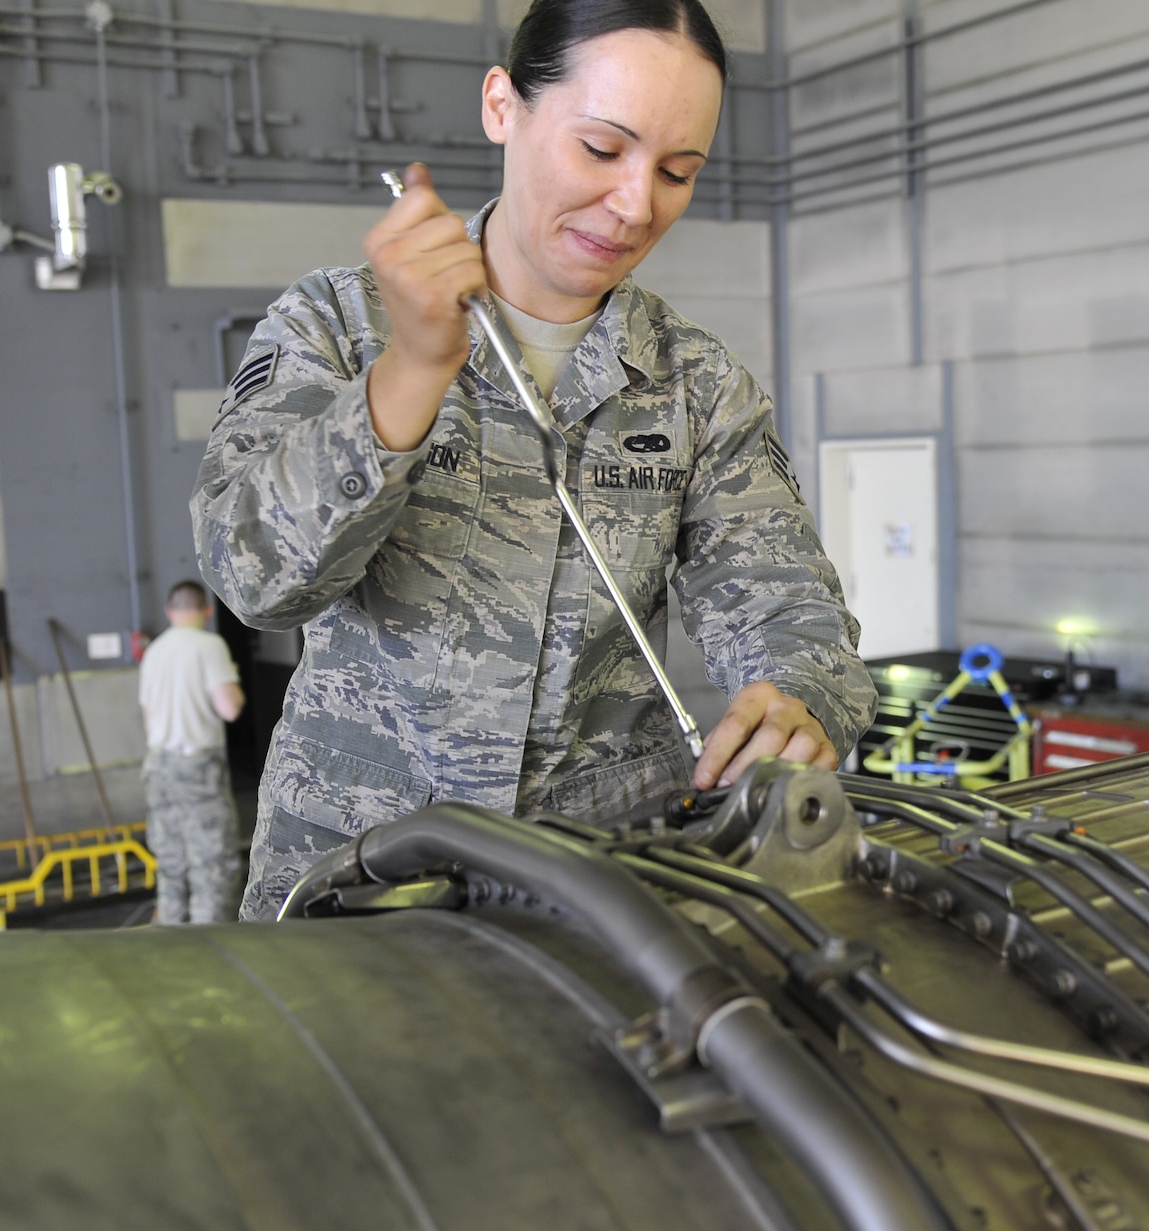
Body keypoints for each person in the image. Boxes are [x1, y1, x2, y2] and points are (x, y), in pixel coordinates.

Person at [194, 0, 878, 918]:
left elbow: (791, 605)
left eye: (678, 172)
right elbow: (254, 579)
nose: (637, 204)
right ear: (501, 106)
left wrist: (799, 699)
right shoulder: (337, 325)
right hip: (355, 869)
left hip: (599, 884)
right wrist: (409, 374)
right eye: (602, 150)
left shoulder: (696, 384)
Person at [138, 581, 246, 924]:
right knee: (213, 861)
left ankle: (169, 934)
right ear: (207, 611)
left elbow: (148, 718)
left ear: (171, 612)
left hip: (158, 766)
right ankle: (210, 941)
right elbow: (229, 708)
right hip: (197, 766)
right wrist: (235, 686)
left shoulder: (154, 651)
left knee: (171, 859)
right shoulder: (209, 645)